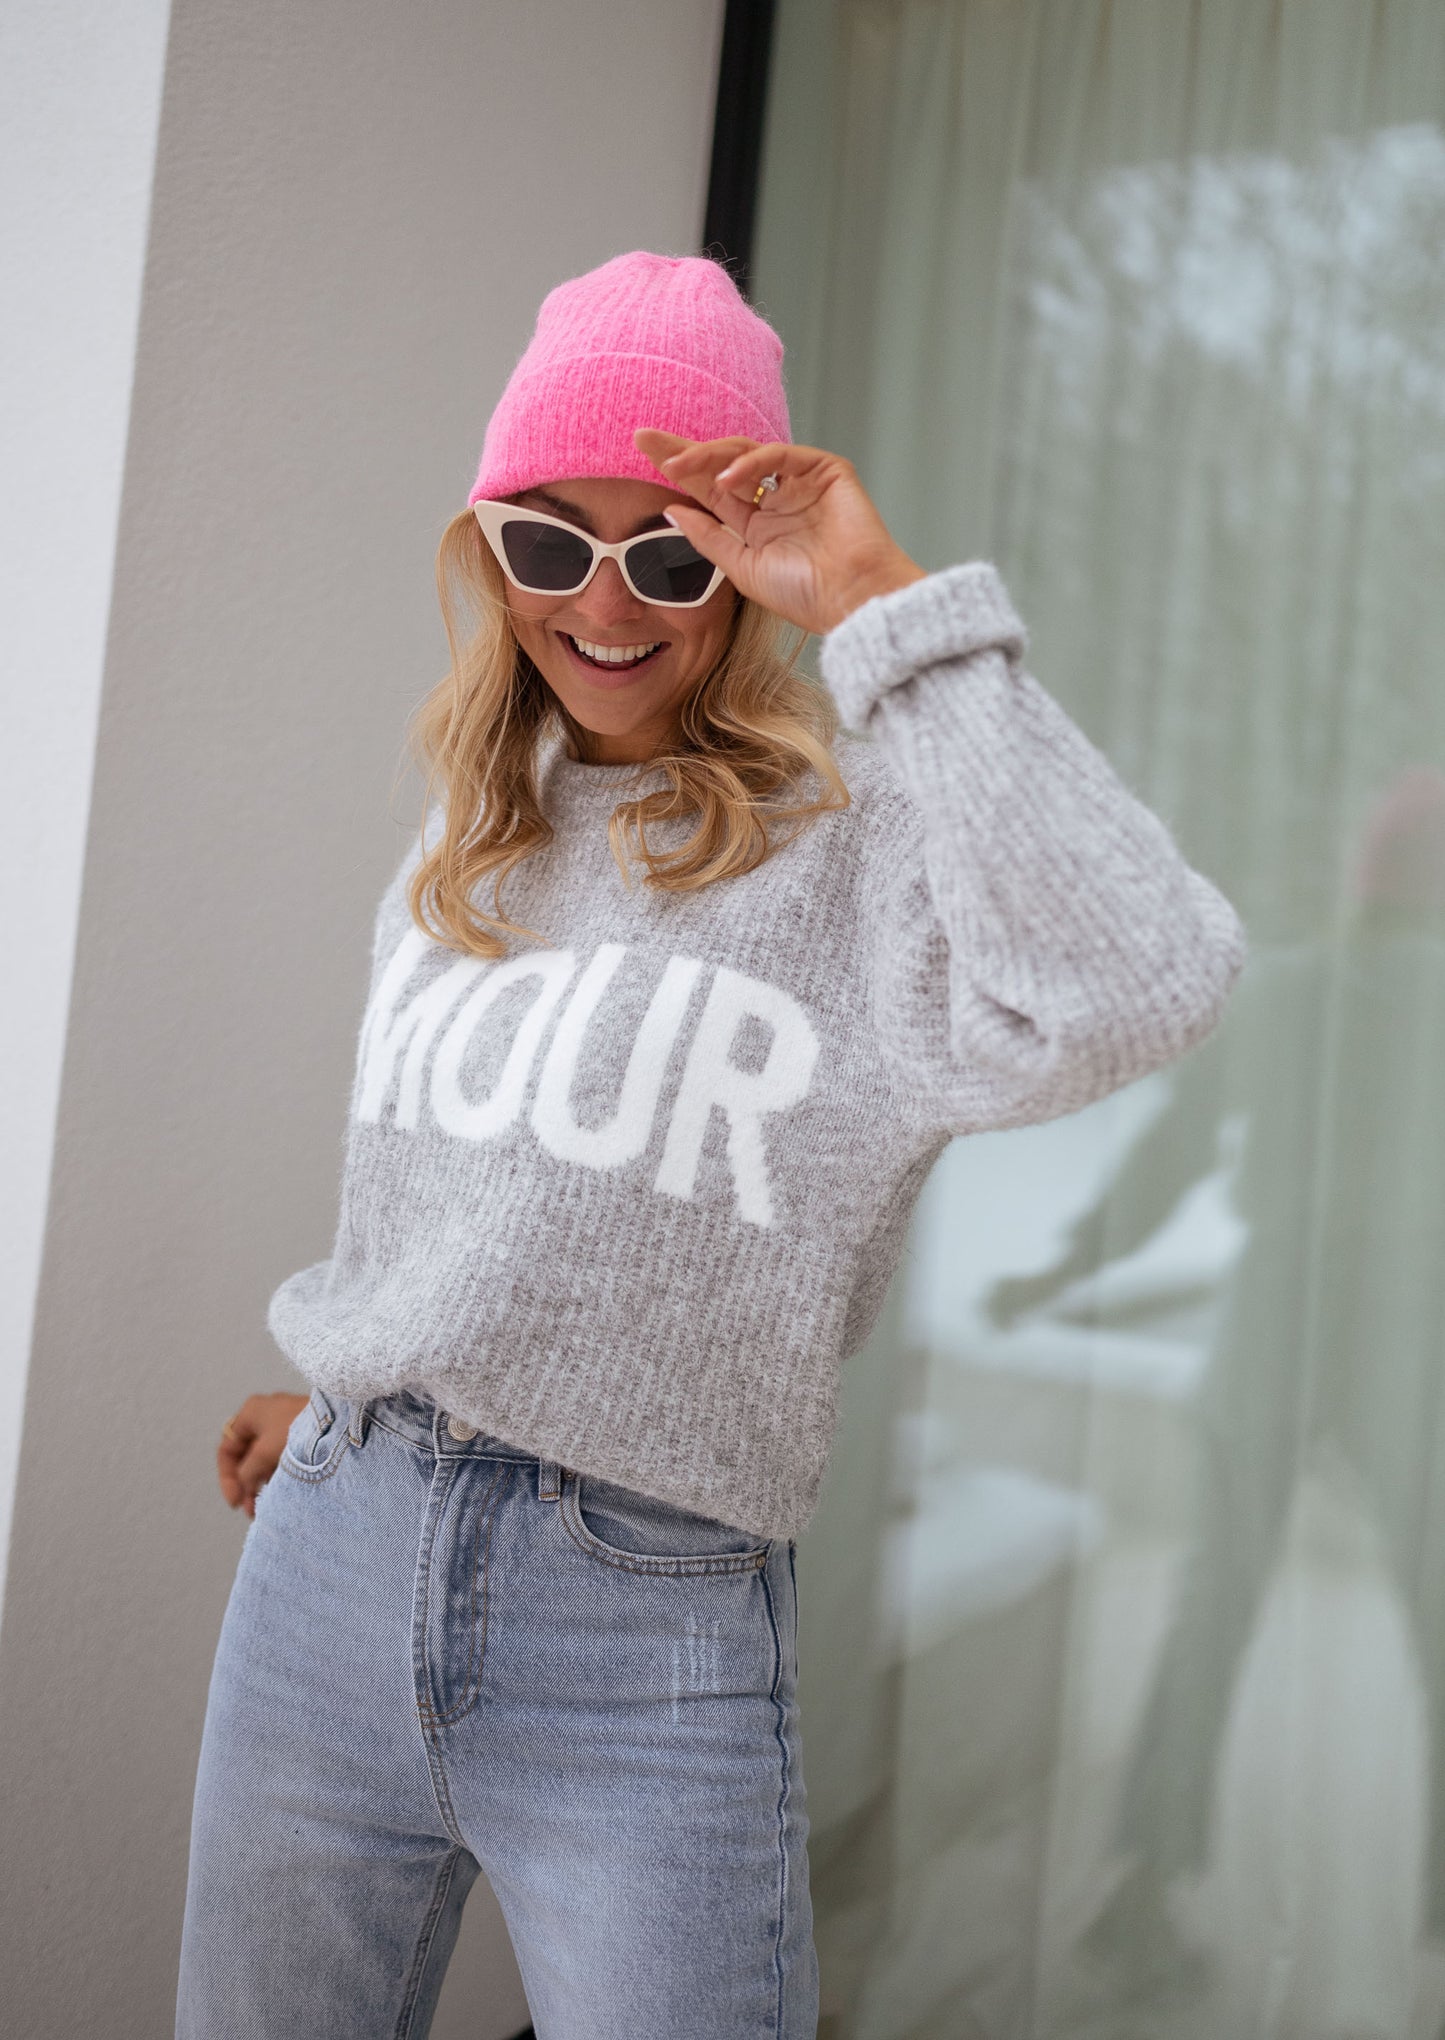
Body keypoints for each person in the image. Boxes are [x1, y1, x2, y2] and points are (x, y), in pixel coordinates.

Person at [176, 250, 1247, 2040]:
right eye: (550, 542)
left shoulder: (852, 852)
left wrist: (881, 601)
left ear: (740, 576)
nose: (605, 603)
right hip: (332, 1550)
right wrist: (364, 1380)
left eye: (667, 555)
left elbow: (1144, 977)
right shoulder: (469, 827)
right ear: (487, 548)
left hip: (641, 1625)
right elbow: (488, 1189)